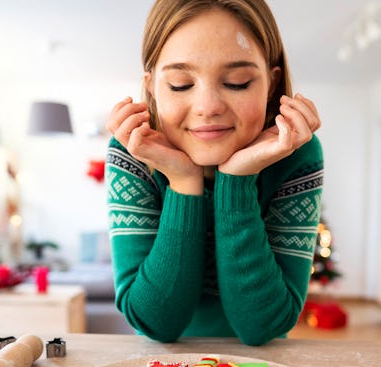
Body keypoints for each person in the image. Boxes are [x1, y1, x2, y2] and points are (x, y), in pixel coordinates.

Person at [105, 0, 323, 345]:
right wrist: (182, 182)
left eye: (237, 82)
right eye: (180, 84)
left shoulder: (296, 153)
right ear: (152, 88)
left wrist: (237, 183)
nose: (208, 107)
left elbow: (264, 326)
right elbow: (155, 322)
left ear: (270, 83)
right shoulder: (134, 149)